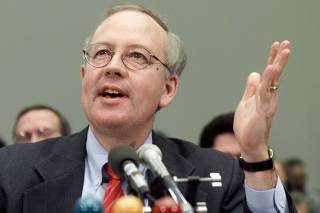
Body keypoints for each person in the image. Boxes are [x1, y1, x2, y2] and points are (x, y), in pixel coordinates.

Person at [0, 4, 295, 213]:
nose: (113, 67)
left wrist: (255, 154)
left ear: (168, 89)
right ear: (83, 76)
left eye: (136, 56)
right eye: (102, 53)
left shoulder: (217, 176)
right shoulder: (10, 171)